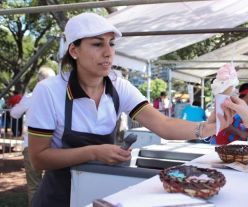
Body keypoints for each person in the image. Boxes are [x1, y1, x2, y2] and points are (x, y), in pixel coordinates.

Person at [27, 13, 230, 207]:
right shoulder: (49, 91)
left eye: (111, 44)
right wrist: (94, 152)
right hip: (57, 197)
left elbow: (163, 124)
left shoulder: (118, 86)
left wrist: (206, 128)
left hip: (98, 190)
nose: (108, 52)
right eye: (98, 44)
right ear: (74, 51)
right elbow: (39, 159)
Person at [10, 67, 56, 207]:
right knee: (52, 184)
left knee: (34, 186)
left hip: (31, 146)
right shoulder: (59, 98)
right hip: (55, 148)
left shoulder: (30, 97)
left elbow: (14, 113)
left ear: (38, 80)